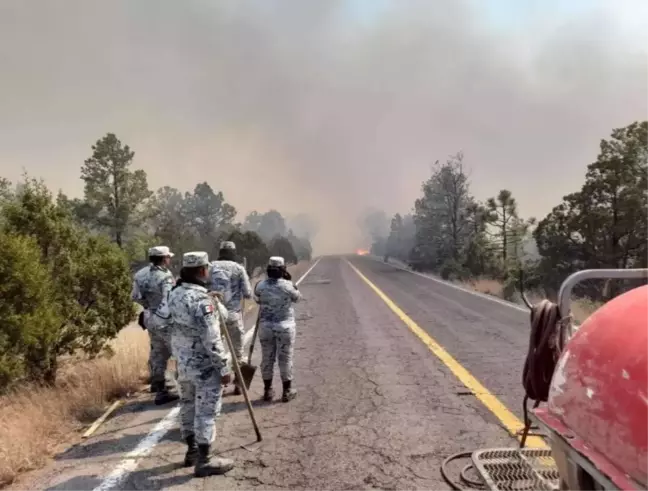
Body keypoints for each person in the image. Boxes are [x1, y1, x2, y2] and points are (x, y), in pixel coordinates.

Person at [164, 251, 235, 476]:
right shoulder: (203, 301)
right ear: (203, 270)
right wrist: (224, 369)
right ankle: (204, 460)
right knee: (206, 412)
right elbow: (212, 339)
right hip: (204, 366)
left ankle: (192, 451)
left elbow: (166, 323)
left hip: (182, 364)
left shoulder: (173, 294)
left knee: (187, 405)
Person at [131, 245, 179, 405]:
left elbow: (135, 296)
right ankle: (184, 389)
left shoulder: (140, 274)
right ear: (164, 258)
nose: (169, 259)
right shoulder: (165, 276)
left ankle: (159, 389)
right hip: (164, 319)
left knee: (158, 353)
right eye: (168, 257)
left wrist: (148, 308)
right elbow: (168, 298)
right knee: (179, 352)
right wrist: (163, 314)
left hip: (149, 317)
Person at [254, 256, 302, 402]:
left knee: (267, 358)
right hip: (285, 327)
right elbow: (297, 298)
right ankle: (287, 391)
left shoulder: (260, 285)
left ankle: (267, 390)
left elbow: (257, 298)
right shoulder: (288, 285)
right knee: (285, 358)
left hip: (266, 327)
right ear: (283, 270)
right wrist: (288, 280)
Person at [208, 241, 252, 395]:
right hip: (233, 315)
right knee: (238, 352)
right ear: (234, 253)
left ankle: (218, 383)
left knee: (214, 350)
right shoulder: (238, 268)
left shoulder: (210, 266)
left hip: (214, 315)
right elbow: (248, 293)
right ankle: (239, 384)